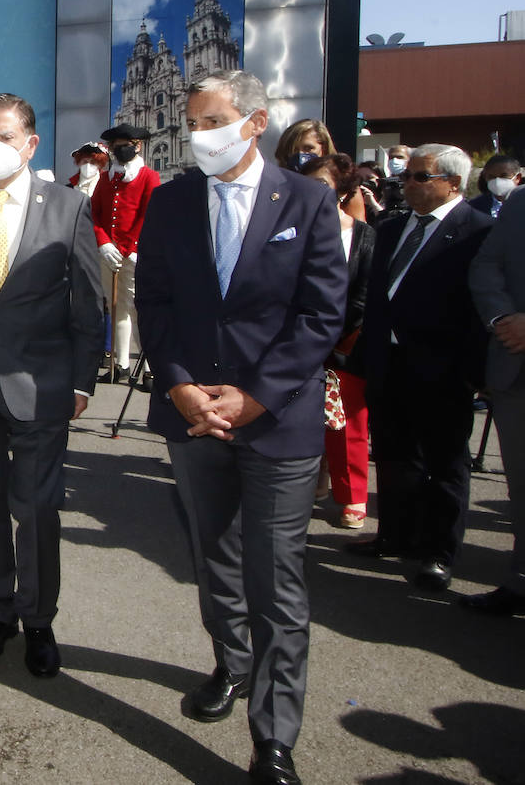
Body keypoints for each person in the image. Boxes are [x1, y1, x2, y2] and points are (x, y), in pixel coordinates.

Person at [135, 69, 346, 785]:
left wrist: (254, 396)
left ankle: (275, 737)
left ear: (256, 123)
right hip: (193, 414)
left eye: (214, 120)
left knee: (276, 576)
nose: (199, 135)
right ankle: (232, 662)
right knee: (212, 556)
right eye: (192, 122)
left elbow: (321, 315)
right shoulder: (171, 202)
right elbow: (154, 303)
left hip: (276, 422)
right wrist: (183, 387)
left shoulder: (311, 201)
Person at [0, 92, 104, 680]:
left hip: (42, 384)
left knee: (36, 511)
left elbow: (88, 301)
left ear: (30, 144)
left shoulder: (69, 206)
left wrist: (83, 379)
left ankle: (39, 621)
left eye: (4, 136)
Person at [349, 144, 493, 593]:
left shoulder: (478, 232)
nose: (406, 184)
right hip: (387, 362)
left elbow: (478, 308)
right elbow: (377, 294)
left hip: (442, 368)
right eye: (407, 176)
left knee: (445, 465)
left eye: (419, 177)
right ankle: (394, 533)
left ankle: (438, 552)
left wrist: (472, 372)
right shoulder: (390, 227)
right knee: (394, 456)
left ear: (453, 183)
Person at [301, 154, 376, 529]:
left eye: (321, 185)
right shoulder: (290, 228)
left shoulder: (362, 235)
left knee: (348, 426)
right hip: (297, 344)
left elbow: (363, 296)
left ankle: (352, 498)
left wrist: (331, 336)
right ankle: (304, 486)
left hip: (344, 345)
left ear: (343, 193)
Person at [466, 188, 525, 616]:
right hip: (513, 370)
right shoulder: (521, 202)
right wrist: (503, 318)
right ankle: (520, 580)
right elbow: (487, 266)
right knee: (520, 486)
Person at [92, 123, 160, 379]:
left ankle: (149, 367)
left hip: (133, 254)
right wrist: (103, 242)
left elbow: (147, 214)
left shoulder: (148, 176)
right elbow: (95, 213)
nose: (120, 151)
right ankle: (121, 365)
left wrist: (130, 246)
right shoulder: (106, 179)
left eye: (125, 146)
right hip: (108, 254)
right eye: (116, 147)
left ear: (137, 146)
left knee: (135, 309)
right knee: (115, 306)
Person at [468, 155, 521, 219]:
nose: (497, 181)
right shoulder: (474, 207)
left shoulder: (522, 202)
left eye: (503, 176)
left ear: (517, 178)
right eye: (491, 177)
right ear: (485, 177)